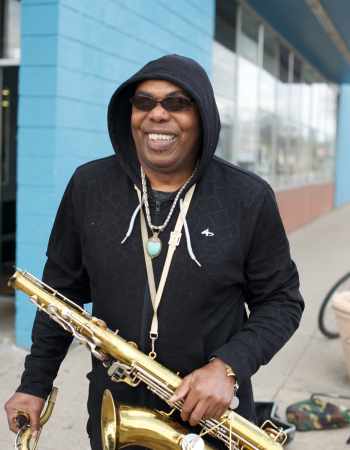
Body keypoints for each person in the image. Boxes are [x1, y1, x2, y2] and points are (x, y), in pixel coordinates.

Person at [5, 54, 304, 449]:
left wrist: (228, 367)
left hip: (215, 417)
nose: (157, 115)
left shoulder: (247, 197)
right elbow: (62, 298)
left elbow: (282, 302)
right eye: (144, 102)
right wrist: (35, 385)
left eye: (177, 103)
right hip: (116, 413)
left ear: (204, 116)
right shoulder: (89, 186)